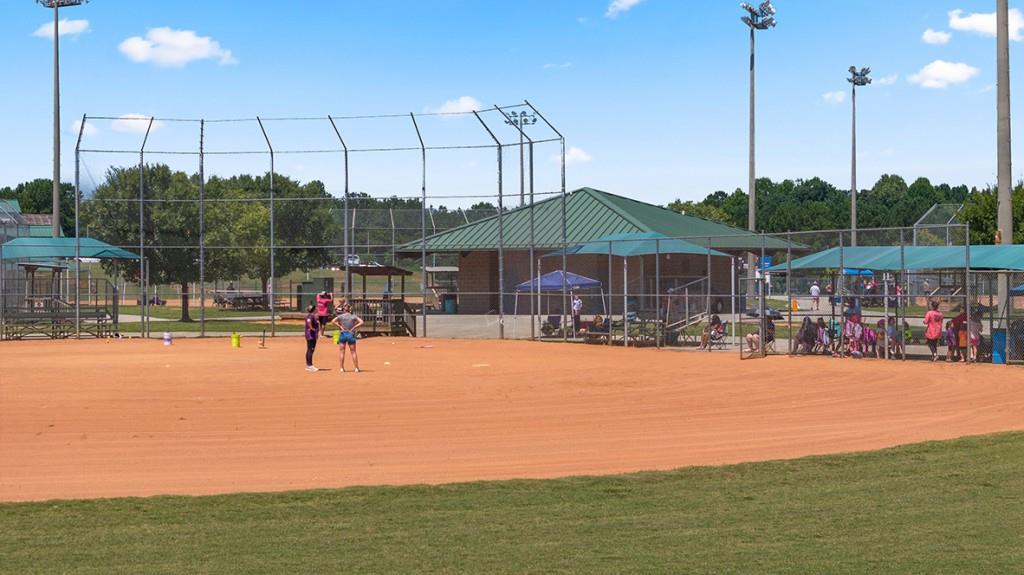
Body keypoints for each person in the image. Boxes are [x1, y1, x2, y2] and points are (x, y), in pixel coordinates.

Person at [330, 305, 364, 373]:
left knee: (342, 352)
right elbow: (362, 322)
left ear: (344, 310)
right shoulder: (353, 316)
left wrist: (340, 326)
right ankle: (356, 368)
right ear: (349, 310)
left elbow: (333, 321)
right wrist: (354, 327)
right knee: (353, 352)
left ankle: (341, 368)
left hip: (343, 334)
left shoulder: (341, 316)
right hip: (350, 334)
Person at [303, 304, 320, 372]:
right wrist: (312, 328)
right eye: (315, 308)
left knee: (309, 349)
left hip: (310, 335)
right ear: (313, 309)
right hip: (311, 335)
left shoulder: (310, 315)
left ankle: (308, 365)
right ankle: (310, 365)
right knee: (311, 349)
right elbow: (309, 321)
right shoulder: (311, 316)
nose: (317, 309)